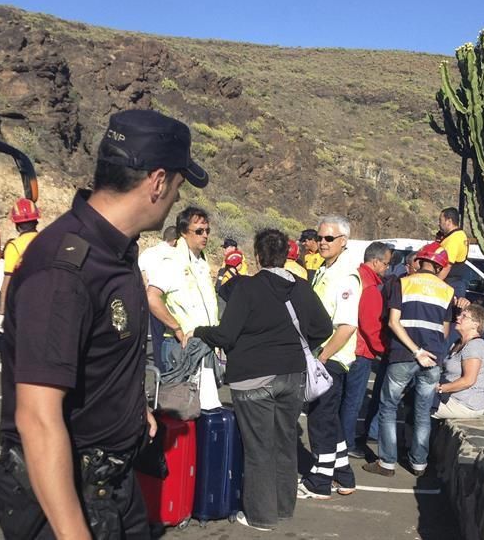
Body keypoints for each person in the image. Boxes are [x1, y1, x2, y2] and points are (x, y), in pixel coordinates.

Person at [0, 109, 208, 539]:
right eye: (179, 186)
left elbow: (99, 357)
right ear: (158, 181)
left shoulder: (117, 253)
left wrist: (131, 409)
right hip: (68, 494)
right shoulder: (64, 271)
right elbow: (36, 417)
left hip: (110, 485)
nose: (178, 198)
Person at [188, 229, 332, 531]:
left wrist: (200, 331)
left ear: (256, 256)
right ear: (286, 255)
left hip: (252, 378)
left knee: (258, 449)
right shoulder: (302, 288)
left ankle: (261, 516)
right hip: (292, 375)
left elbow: (226, 335)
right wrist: (298, 344)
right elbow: (324, 327)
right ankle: (282, 507)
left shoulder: (247, 288)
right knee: (284, 442)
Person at [363, 242, 453, 478]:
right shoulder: (447, 290)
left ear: (419, 261)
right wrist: (426, 351)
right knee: (423, 411)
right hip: (433, 359)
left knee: (389, 407)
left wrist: (415, 350)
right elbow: (444, 331)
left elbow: (393, 321)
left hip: (403, 354)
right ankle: (419, 464)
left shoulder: (402, 283)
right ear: (440, 265)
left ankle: (387, 462)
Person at [298, 215, 360, 500]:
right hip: (321, 356)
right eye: (320, 237)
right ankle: (344, 474)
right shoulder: (326, 269)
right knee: (330, 419)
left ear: (343, 241)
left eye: (328, 238)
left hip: (330, 358)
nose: (322, 242)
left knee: (320, 420)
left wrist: (322, 357)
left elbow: (346, 326)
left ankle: (320, 481)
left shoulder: (346, 276)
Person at [146, 206, 221, 407]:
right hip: (181, 347)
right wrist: (178, 329)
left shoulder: (201, 262)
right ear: (183, 233)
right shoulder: (172, 261)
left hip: (205, 345)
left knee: (204, 407)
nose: (205, 236)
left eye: (207, 231)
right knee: (180, 409)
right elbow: (152, 298)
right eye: (198, 231)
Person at [340, 241, 391, 459]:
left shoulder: (354, 277)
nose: (388, 268)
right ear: (376, 261)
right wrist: (383, 349)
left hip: (345, 347)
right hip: (361, 351)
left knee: (343, 399)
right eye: (386, 263)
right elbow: (370, 326)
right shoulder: (370, 287)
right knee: (353, 401)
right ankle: (347, 443)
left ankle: (339, 440)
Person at [433, 304, 484, 419]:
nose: (458, 318)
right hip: (450, 397)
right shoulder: (457, 343)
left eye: (464, 316)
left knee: (420, 404)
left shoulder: (475, 346)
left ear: (475, 325)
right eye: (460, 315)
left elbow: (468, 381)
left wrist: (440, 389)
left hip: (464, 404)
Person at [0, 198, 40, 334]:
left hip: (24, 302)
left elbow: (7, 282)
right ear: (36, 221)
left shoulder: (14, 246)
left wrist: (1, 313)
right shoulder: (47, 239)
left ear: (16, 225)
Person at [139, 225, 177, 373]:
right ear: (175, 241)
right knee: (173, 336)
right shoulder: (175, 254)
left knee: (157, 337)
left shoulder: (149, 252)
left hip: (150, 298)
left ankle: (160, 371)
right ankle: (171, 370)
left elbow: (141, 273)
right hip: (169, 301)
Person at [438, 207, 470, 301]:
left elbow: (447, 266)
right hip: (455, 283)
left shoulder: (453, 239)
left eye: (441, 220)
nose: (439, 223)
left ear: (449, 221)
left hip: (449, 283)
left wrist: (434, 283)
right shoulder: (460, 235)